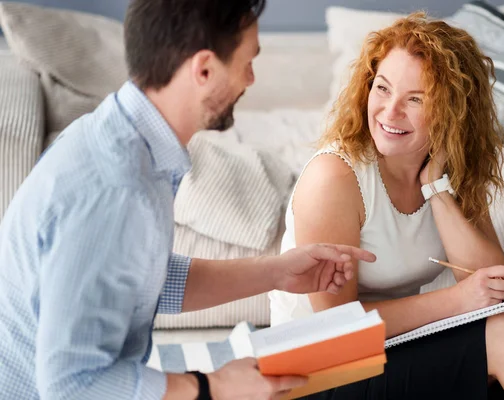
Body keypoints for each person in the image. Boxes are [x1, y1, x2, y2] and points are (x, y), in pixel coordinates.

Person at [0, 1, 378, 399]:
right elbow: (72, 385)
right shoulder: (117, 189)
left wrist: (278, 272)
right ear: (203, 69)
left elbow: (143, 278)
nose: (250, 79)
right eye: (248, 62)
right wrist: (212, 387)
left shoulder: (117, 137)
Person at [269, 12, 504, 400]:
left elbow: (491, 281)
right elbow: (333, 325)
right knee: (502, 335)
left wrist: (436, 188)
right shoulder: (335, 178)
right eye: (382, 88)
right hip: (310, 369)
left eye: (415, 99)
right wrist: (457, 301)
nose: (389, 112)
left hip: (386, 347)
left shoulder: (446, 169)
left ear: (450, 112)